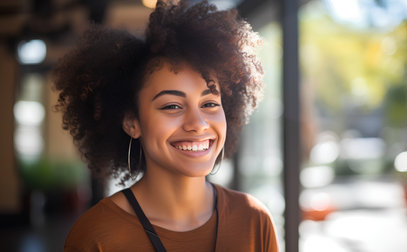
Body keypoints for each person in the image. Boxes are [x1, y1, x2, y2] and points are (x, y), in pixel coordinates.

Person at [53, 0, 278, 251]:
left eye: (210, 104)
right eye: (172, 106)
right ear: (131, 122)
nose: (198, 124)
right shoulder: (96, 236)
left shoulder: (254, 220)